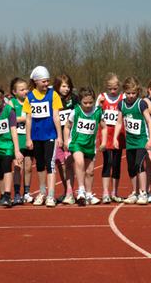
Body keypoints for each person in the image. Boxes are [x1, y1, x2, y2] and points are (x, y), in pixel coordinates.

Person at [23, 66, 63, 207]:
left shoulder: (53, 95)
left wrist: (59, 136)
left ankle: (51, 195)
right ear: (36, 82)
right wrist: (28, 138)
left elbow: (56, 117)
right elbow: (28, 119)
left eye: (47, 81)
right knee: (40, 165)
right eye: (44, 81)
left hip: (50, 135)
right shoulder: (30, 97)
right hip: (36, 136)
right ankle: (42, 192)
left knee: (50, 164)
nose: (46, 84)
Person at [114, 77, 151, 205]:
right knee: (131, 168)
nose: (131, 96)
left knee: (139, 165)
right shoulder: (121, 104)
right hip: (130, 142)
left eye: (133, 93)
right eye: (128, 93)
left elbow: (149, 121)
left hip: (141, 140)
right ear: (124, 92)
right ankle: (134, 192)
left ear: (137, 92)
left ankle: (143, 192)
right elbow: (119, 122)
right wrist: (115, 137)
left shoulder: (141, 104)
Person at [64, 87, 107, 206]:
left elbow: (104, 127)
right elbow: (67, 126)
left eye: (90, 102)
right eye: (85, 103)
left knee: (90, 172)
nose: (88, 105)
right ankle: (81, 189)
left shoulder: (98, 112)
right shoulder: (76, 111)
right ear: (80, 102)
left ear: (94, 101)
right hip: (77, 143)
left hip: (90, 145)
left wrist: (103, 143)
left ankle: (88, 194)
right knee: (79, 162)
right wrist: (66, 141)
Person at [96, 73, 125, 203]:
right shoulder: (102, 97)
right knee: (107, 163)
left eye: (115, 88)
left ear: (118, 87)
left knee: (117, 163)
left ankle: (115, 192)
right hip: (106, 134)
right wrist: (98, 105)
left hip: (118, 134)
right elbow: (95, 113)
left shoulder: (123, 97)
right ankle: (105, 192)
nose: (113, 91)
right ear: (106, 87)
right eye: (110, 89)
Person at [53, 74, 78, 204]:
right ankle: (66, 190)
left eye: (68, 86)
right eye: (63, 86)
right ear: (57, 86)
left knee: (69, 164)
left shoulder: (74, 99)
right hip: (57, 137)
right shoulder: (52, 98)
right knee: (60, 165)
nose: (66, 89)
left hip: (71, 137)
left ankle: (71, 192)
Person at [8, 77, 34, 204]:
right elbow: (10, 119)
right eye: (22, 89)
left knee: (28, 167)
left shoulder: (31, 101)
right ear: (14, 92)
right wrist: (24, 119)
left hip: (29, 138)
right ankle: (17, 192)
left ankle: (27, 192)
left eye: (26, 89)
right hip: (17, 139)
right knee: (18, 167)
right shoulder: (12, 102)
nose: (25, 91)